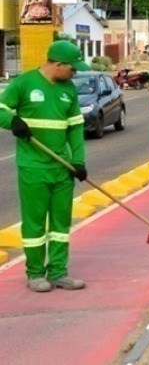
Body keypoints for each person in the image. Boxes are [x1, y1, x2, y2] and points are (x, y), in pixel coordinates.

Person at [0, 40, 90, 292]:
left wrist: (78, 161)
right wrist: (12, 120)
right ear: (58, 64)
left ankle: (59, 272)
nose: (76, 73)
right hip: (33, 167)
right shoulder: (24, 83)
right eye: (73, 68)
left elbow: (75, 127)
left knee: (61, 224)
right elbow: (0, 110)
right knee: (35, 223)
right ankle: (36, 273)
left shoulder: (68, 89)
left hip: (62, 168)